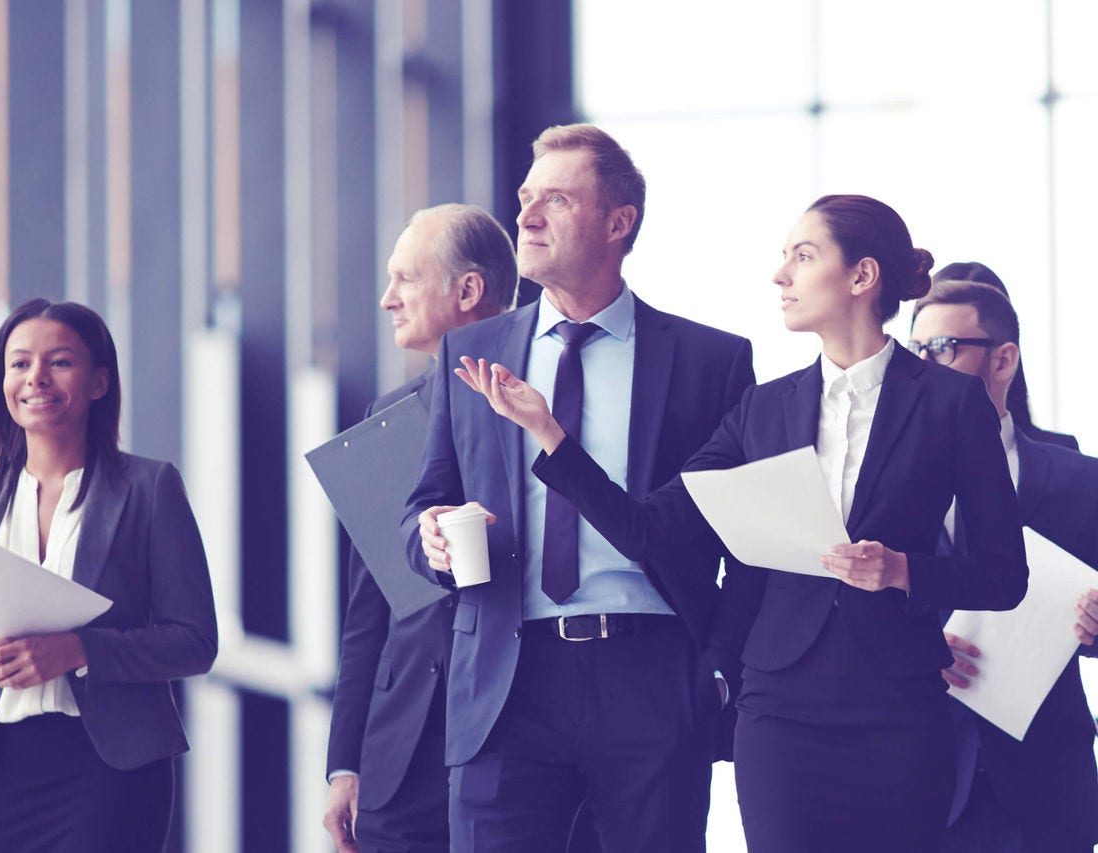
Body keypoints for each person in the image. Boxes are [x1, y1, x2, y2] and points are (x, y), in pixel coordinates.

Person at [456, 194, 1029, 853]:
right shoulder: (762, 410)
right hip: (780, 716)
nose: (780, 274)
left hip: (900, 713)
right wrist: (549, 433)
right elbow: (650, 528)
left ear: (862, 276)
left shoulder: (950, 403)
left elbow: (1003, 575)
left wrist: (902, 569)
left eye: (803, 256)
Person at [402, 124, 756, 852]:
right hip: (504, 678)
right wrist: (429, 535)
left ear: (618, 223)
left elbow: (744, 542)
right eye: (527, 197)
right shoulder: (470, 353)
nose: (525, 216)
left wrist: (715, 672)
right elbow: (423, 501)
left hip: (653, 674)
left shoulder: (708, 360)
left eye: (555, 200)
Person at [0, 299, 217, 852]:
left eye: (58, 362)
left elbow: (196, 642)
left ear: (99, 382)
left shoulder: (149, 490)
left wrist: (80, 650)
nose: (35, 378)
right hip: (3, 771)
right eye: (19, 363)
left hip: (111, 768)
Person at [323, 203, 518, 853]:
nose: (387, 300)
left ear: (467, 290)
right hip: (402, 754)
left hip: (520, 733)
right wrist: (343, 761)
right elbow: (367, 610)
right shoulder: (389, 414)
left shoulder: (542, 405)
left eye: (405, 279)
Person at [909, 279, 1098, 852]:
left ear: (1003, 358)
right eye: (913, 350)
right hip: (918, 779)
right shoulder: (882, 482)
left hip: (1044, 781)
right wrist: (912, 645)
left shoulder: (1080, 480)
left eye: (940, 346)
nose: (923, 364)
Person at [932, 261, 1079, 450]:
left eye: (942, 346)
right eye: (918, 345)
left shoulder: (1062, 458)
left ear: (1003, 359)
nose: (923, 360)